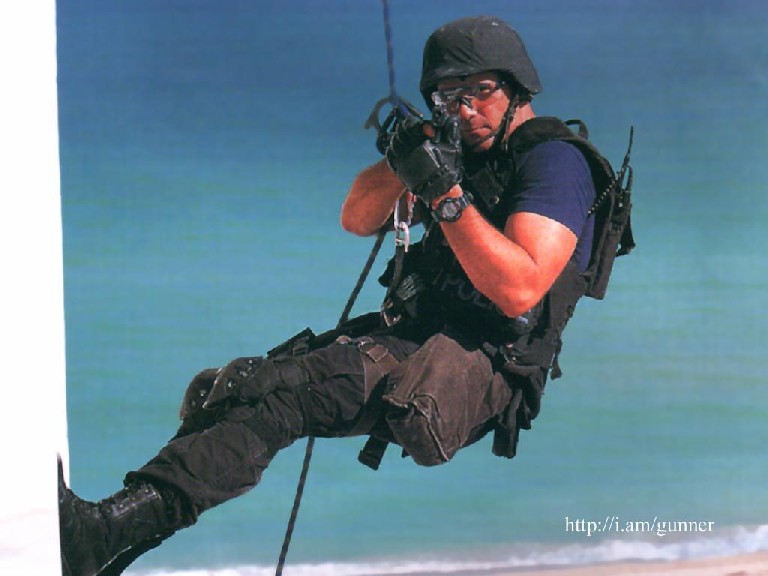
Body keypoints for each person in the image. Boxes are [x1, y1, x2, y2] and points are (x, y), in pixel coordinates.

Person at [59, 15, 632, 576]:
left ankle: (100, 534)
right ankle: (109, 543)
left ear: (516, 87)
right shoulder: (462, 149)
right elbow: (357, 217)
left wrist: (443, 193)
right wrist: (408, 158)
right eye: (447, 97)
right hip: (417, 334)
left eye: (480, 91)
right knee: (235, 391)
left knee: (281, 396)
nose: (464, 109)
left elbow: (519, 288)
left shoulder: (555, 162)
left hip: (476, 363)